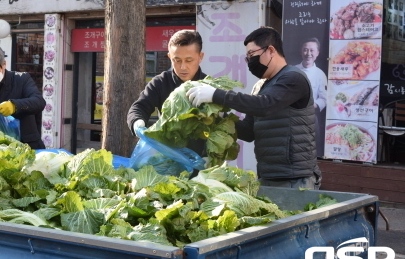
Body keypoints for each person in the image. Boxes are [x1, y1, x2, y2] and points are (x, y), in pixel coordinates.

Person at [186, 27, 321, 189]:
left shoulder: (294, 77)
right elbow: (249, 131)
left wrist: (217, 95)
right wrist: (220, 118)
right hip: (268, 175)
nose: (250, 61)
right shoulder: (260, 86)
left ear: (270, 50)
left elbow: (265, 105)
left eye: (252, 55)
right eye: (247, 57)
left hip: (296, 178)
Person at [127, 29, 208, 156]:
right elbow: (139, 107)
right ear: (169, 56)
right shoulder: (160, 82)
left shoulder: (209, 86)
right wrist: (137, 123)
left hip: (201, 161)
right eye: (177, 60)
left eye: (189, 60)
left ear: (200, 57)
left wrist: (211, 157)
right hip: (166, 158)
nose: (183, 67)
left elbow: (220, 126)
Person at [294, 38, 327, 157]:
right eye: (305, 50)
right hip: (292, 115)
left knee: (311, 149)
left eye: (312, 50)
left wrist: (312, 104)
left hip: (310, 116)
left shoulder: (320, 74)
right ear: (301, 51)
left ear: (317, 53)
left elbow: (324, 99)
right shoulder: (292, 70)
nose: (308, 54)